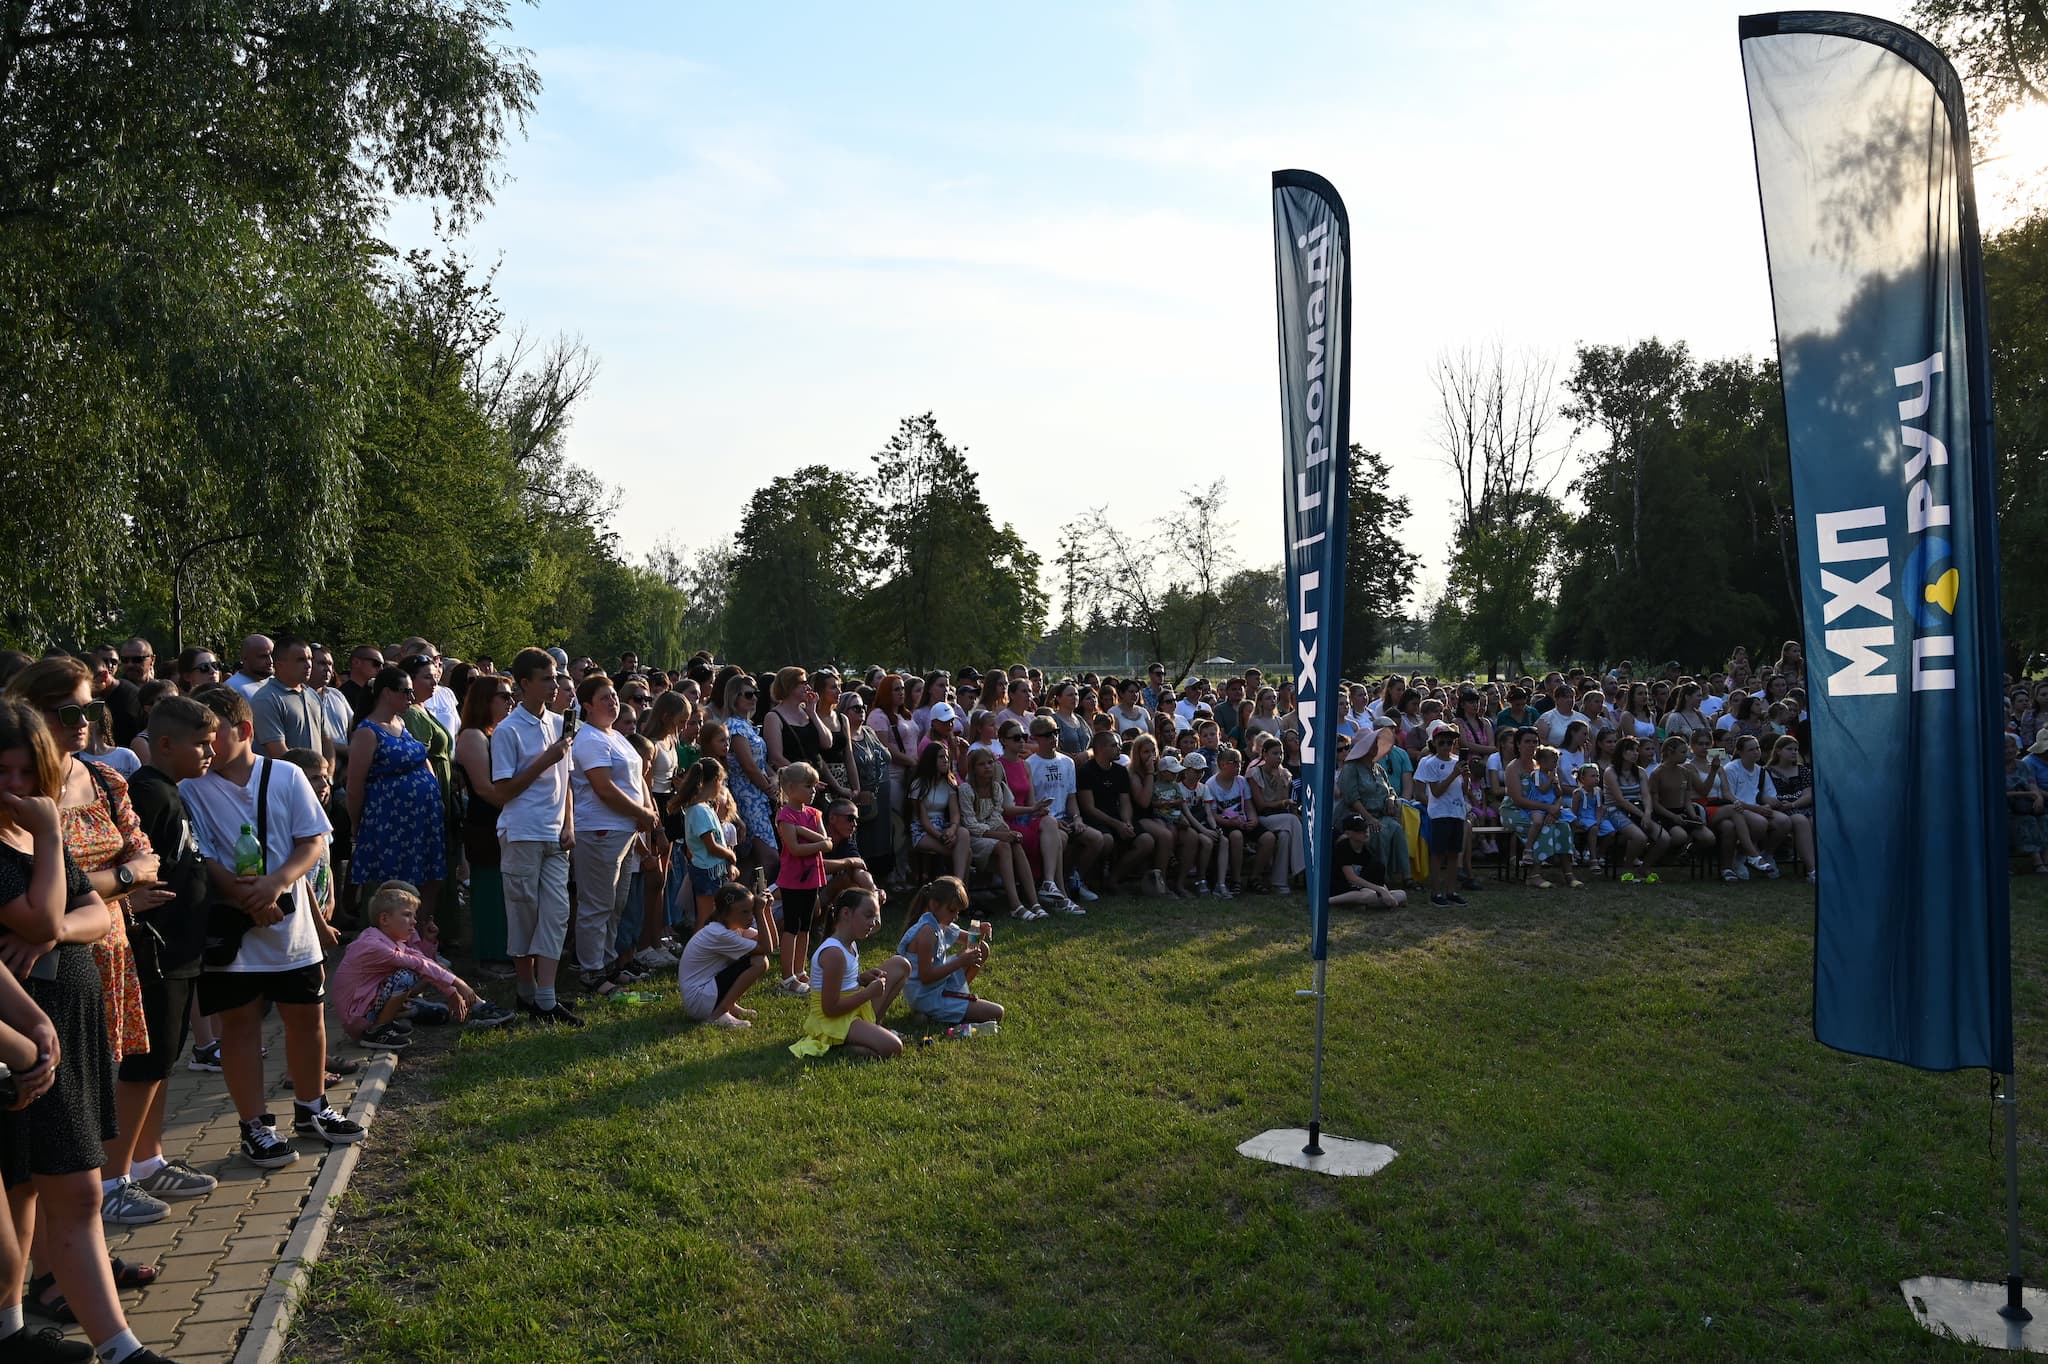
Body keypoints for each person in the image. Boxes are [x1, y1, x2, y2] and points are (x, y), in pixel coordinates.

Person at [0, 698, 178, 1363]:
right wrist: (51, 840)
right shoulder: (28, 837)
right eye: (2, 773)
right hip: (22, 1039)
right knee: (47, 1188)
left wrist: (57, 927)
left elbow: (95, 915)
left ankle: (27, 1332)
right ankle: (101, 1345)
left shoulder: (24, 835)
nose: (16, 787)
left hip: (62, 1024)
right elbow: (44, 918)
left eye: (27, 772)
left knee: (52, 1187)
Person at [181, 685, 362, 1168]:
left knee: (306, 1017)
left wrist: (276, 883)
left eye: (212, 735)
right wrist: (248, 896)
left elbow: (312, 839)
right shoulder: (190, 787)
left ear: (244, 730)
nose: (205, 746)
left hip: (291, 928)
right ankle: (254, 1125)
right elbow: (201, 856)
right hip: (233, 931)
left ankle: (312, 1106)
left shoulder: (285, 774)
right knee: (240, 1026)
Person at [113, 696, 220, 1212]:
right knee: (143, 1065)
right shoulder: (147, 793)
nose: (210, 753)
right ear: (165, 744)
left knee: (162, 1062)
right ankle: (112, 1181)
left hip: (180, 949)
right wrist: (125, 899)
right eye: (201, 744)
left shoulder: (172, 790)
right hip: (154, 951)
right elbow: (121, 861)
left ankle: (147, 1162)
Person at [491, 649, 578, 1027]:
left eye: (556, 677)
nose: (554, 685)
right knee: (523, 914)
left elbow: (567, 780)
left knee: (556, 914)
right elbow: (503, 791)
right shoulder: (507, 730)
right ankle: (526, 991)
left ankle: (546, 997)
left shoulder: (560, 723)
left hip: (555, 835)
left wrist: (569, 823)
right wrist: (545, 759)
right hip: (522, 832)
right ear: (525, 683)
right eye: (546, 678)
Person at [332, 882, 511, 1046]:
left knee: (427, 986)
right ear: (384, 919)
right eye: (407, 915)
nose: (414, 921)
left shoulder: (392, 940)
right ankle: (378, 1031)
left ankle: (477, 1006)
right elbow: (419, 964)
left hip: (363, 1009)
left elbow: (424, 960)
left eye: (414, 915)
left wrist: (452, 991)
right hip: (357, 1017)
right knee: (407, 976)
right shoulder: (373, 945)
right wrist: (459, 984)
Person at [569, 674, 659, 998]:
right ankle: (591, 971)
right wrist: (641, 813)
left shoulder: (616, 735)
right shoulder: (590, 739)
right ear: (587, 705)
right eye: (604, 697)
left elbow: (637, 778)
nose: (613, 701)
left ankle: (607, 963)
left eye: (614, 696)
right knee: (597, 903)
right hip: (599, 828)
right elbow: (604, 788)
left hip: (623, 830)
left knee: (616, 903)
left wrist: (645, 811)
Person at [788, 889, 910, 1060]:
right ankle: (840, 1046)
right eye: (868, 916)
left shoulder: (850, 944)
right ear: (846, 913)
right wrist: (868, 993)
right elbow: (830, 1009)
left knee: (901, 964)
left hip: (852, 1009)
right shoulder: (834, 953)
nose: (873, 923)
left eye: (875, 917)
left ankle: (873, 1029)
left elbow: (843, 983)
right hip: (833, 1021)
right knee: (894, 1047)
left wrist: (861, 979)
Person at [452, 675, 517, 969]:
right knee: (491, 890)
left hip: (504, 818)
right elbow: (484, 788)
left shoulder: (497, 733)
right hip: (486, 823)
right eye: (504, 696)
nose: (511, 701)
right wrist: (519, 809)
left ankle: (507, 950)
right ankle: (491, 955)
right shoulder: (473, 736)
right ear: (484, 701)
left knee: (506, 890)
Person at [896, 877, 1005, 1028]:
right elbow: (926, 977)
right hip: (926, 997)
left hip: (939, 986)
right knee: (997, 1012)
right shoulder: (927, 932)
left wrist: (979, 930)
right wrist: (960, 962)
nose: (955, 916)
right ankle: (931, 1012)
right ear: (934, 905)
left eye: (958, 912)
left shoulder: (940, 922)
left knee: (982, 948)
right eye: (952, 910)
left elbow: (971, 940)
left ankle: (958, 999)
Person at [1026, 718, 1103, 907]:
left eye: (1056, 732)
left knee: (1097, 839)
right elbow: (1031, 803)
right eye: (1047, 735)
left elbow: (1071, 797)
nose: (1053, 738)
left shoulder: (1067, 762)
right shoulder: (1030, 764)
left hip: (1066, 818)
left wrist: (1077, 818)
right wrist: (1050, 819)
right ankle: (1053, 887)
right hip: (1043, 821)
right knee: (1061, 839)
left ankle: (1074, 879)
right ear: (1035, 738)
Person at [676, 881, 775, 1028]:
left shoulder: (733, 926)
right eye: (744, 912)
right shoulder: (719, 934)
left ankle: (728, 1005)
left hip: (703, 996)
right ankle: (719, 1013)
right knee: (759, 962)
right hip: (700, 1000)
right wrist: (760, 913)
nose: (751, 917)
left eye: (751, 910)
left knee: (756, 959)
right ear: (725, 914)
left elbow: (772, 943)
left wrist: (767, 910)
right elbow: (766, 948)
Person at [961, 747, 1044, 920]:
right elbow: (970, 824)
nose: (987, 767)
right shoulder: (966, 790)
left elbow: (996, 816)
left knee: (1015, 843)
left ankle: (1034, 902)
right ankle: (1015, 905)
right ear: (973, 768)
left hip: (993, 833)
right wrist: (1000, 835)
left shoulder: (996, 788)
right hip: (974, 837)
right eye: (982, 764)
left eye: (990, 763)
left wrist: (1006, 832)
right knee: (1004, 845)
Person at [1076, 730, 1155, 896]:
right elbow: (1089, 807)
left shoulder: (1120, 771)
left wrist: (1127, 822)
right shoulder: (1086, 771)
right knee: (1106, 840)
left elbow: (1125, 802)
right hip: (1095, 819)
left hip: (1117, 817)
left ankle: (1113, 879)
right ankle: (1084, 879)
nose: (1119, 748)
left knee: (1146, 841)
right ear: (1100, 748)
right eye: (1114, 745)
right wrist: (1117, 825)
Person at [773, 763, 829, 995]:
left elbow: (828, 843)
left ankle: (800, 969)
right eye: (808, 786)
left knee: (806, 925)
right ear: (791, 788)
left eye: (814, 786)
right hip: (793, 878)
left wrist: (803, 831)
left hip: (811, 877)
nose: (813, 791)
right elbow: (795, 849)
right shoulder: (784, 815)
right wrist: (817, 842)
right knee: (792, 927)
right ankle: (788, 977)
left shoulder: (814, 813)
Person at [719, 675, 777, 880]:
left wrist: (775, 779)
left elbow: (760, 762)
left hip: (759, 795)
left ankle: (755, 896)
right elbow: (749, 766)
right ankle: (760, 898)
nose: (754, 698)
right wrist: (770, 790)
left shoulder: (747, 724)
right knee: (769, 858)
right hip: (747, 797)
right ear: (734, 697)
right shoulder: (734, 726)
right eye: (749, 694)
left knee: (755, 861)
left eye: (756, 694)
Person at [673, 758, 738, 930]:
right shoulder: (698, 810)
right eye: (721, 781)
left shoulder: (704, 808)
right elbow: (711, 846)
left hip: (714, 870)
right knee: (705, 916)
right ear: (716, 780)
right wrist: (730, 854)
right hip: (706, 871)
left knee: (715, 915)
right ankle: (698, 945)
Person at [1201, 747, 1273, 897]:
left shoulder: (1241, 781)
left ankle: (1255, 877)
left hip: (1242, 820)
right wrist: (1231, 823)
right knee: (1236, 836)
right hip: (1224, 823)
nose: (1238, 766)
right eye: (1234, 762)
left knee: (1268, 838)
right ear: (1222, 764)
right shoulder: (1211, 785)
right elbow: (1212, 815)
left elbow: (1249, 805)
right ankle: (1236, 880)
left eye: (1240, 763)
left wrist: (1253, 819)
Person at [251, 637, 332, 768]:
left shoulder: (312, 694)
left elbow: (327, 741)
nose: (308, 665)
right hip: (287, 778)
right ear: (280, 665)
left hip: (318, 777)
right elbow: (279, 753)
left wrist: (328, 774)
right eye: (300, 660)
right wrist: (305, 777)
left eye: (310, 659)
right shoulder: (266, 699)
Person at [1415, 727, 1468, 907]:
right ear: (1435, 743)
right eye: (1442, 742)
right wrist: (1454, 774)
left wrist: (1466, 777)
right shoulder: (1431, 763)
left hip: (1457, 812)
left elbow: (1464, 791)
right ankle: (1436, 892)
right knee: (1437, 854)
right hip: (1439, 813)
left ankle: (1451, 891)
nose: (1446, 746)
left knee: (1454, 853)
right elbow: (1436, 792)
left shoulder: (1457, 762)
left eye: (1450, 742)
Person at [1247, 737, 1304, 894]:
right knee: (1292, 820)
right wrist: (1283, 802)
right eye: (1275, 753)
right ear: (1265, 754)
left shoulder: (1285, 774)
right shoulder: (1255, 773)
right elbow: (1261, 805)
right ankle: (1302, 867)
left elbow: (1285, 804)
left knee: (1285, 835)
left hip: (1281, 818)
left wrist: (1280, 783)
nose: (1279, 757)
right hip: (1262, 818)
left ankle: (1279, 882)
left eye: (1281, 753)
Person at [1762, 734, 1819, 885]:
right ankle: (1812, 870)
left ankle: (1814, 865)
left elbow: (1809, 794)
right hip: (1780, 810)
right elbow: (1762, 795)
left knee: (1814, 821)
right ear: (1778, 751)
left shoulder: (1803, 770)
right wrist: (1779, 804)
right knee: (1800, 821)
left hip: (1800, 806)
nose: (1794, 752)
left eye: (1796, 749)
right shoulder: (1766, 772)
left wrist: (1793, 805)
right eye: (1789, 749)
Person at [1330, 815, 1405, 910]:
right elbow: (1351, 878)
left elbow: (1377, 880)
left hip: (1362, 888)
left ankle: (1359, 904)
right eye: (1359, 830)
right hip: (1342, 887)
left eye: (1365, 828)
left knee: (1401, 894)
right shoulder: (1343, 847)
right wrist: (1381, 891)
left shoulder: (1368, 851)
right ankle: (1329, 901)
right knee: (1370, 895)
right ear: (1348, 833)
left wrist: (1386, 893)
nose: (1365, 832)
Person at [224, 635, 274, 700]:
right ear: (244, 658)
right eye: (263, 656)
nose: (270, 661)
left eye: (272, 655)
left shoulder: (277, 682)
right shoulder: (231, 689)